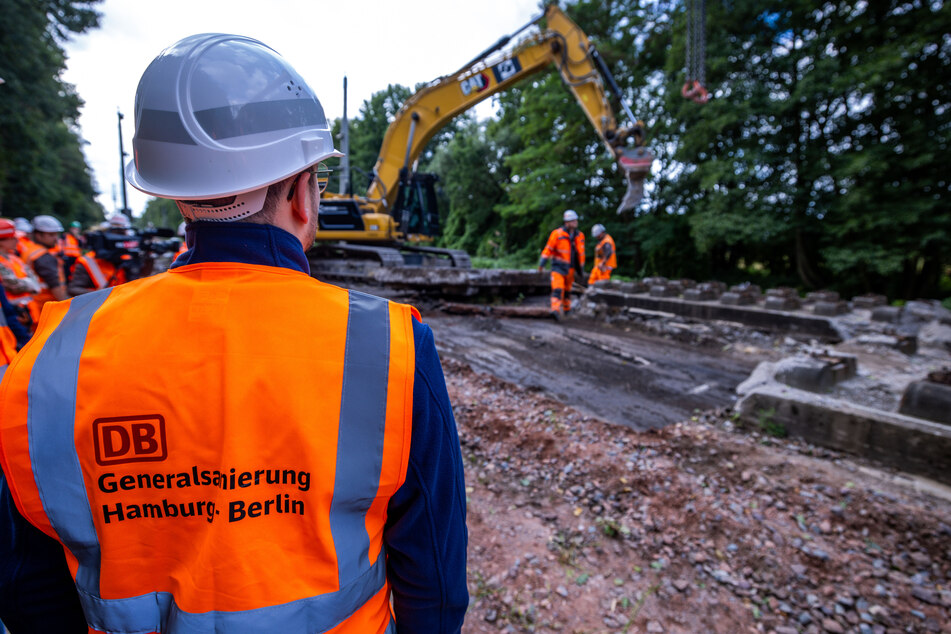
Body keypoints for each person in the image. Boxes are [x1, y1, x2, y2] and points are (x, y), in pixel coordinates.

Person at [0, 33, 468, 633]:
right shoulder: (389, 348)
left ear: (176, 193)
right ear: (303, 193)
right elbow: (435, 584)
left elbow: (24, 582)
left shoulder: (50, 360)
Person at [68, 215, 141, 295]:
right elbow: (73, 289)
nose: (118, 239)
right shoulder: (88, 262)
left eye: (121, 235)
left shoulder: (127, 257)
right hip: (100, 306)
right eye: (115, 235)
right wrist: (101, 295)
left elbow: (138, 279)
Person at [538, 209, 585, 319]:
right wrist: (542, 264)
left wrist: (580, 270)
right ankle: (555, 310)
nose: (575, 223)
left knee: (568, 290)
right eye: (572, 221)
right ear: (566, 222)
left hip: (571, 268)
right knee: (558, 288)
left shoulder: (580, 236)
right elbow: (548, 249)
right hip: (558, 266)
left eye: (575, 220)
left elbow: (581, 253)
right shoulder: (557, 234)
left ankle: (567, 309)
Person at [19, 214, 68, 312]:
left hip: (35, 305)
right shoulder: (42, 256)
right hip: (46, 306)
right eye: (51, 235)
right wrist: (68, 307)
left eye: (56, 234)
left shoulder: (30, 250)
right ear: (38, 235)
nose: (55, 238)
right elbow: (55, 286)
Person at [0, 218, 42, 331]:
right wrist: (30, 283)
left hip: (29, 312)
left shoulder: (15, 259)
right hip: (13, 313)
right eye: (13, 238)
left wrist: (28, 283)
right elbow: (14, 285)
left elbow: (34, 278)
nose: (17, 241)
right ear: (2, 241)